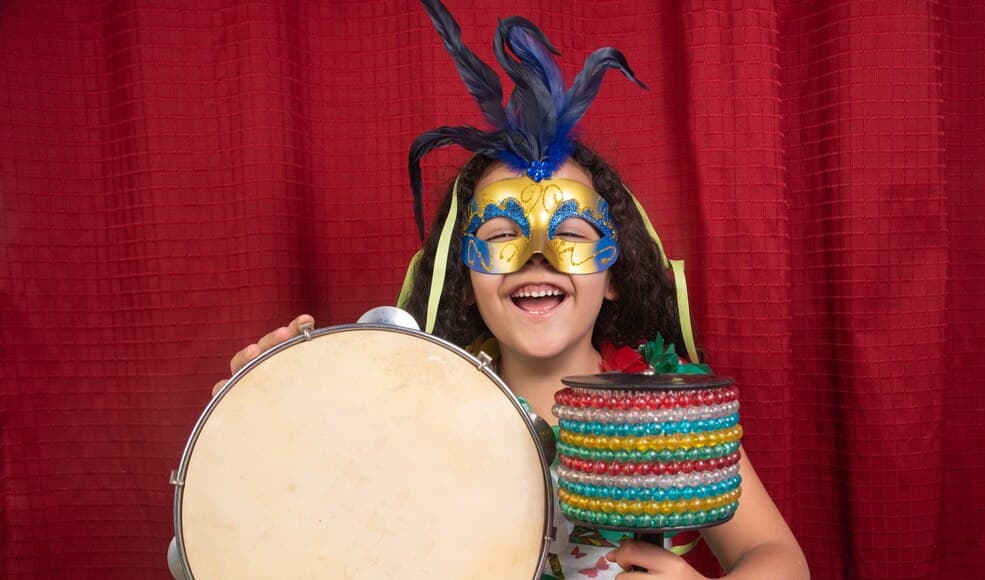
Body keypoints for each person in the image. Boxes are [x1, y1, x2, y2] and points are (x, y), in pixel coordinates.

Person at [214, 1, 809, 577]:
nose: (537, 257)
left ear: (616, 279)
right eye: (502, 235)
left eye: (571, 233)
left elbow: (778, 558)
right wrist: (261, 420)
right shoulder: (419, 403)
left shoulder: (661, 407)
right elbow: (300, 530)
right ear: (467, 283)